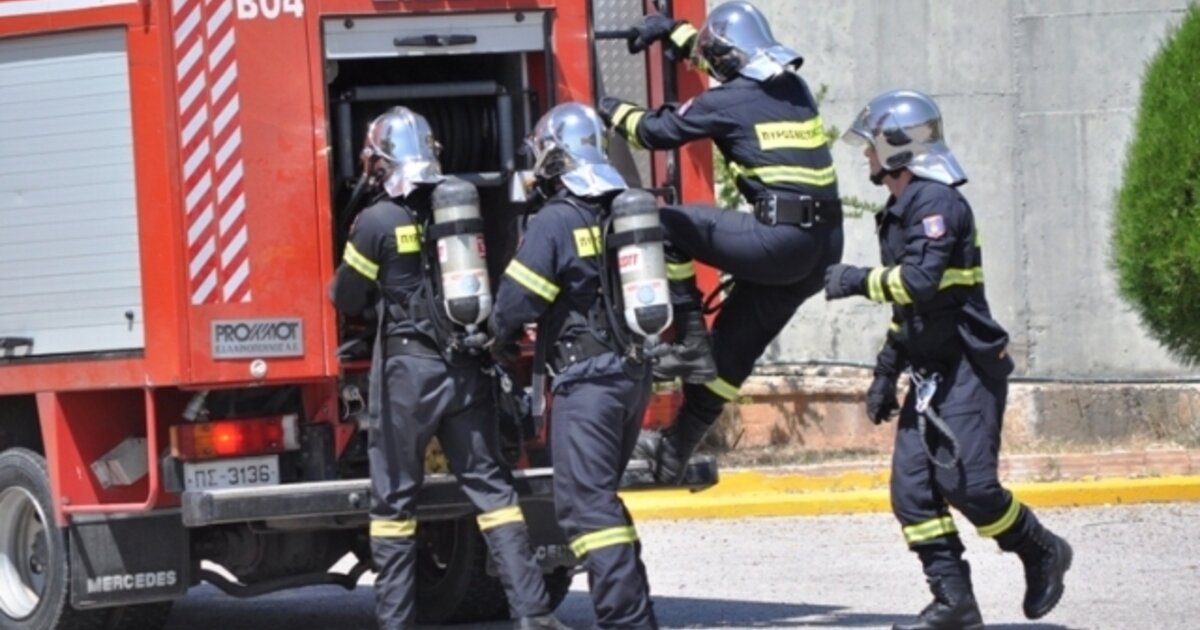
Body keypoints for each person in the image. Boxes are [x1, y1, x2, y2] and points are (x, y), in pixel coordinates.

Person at [824, 90, 1072, 630]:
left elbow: (918, 281)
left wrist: (854, 280)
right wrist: (885, 374)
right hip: (930, 373)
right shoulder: (899, 212)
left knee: (970, 486)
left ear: (898, 148)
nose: (865, 155)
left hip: (968, 368)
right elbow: (910, 310)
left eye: (871, 145)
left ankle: (1040, 548)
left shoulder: (937, 204)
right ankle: (955, 603)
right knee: (912, 494)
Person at [328, 106, 566, 630]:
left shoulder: (377, 221)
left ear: (381, 161)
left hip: (408, 376)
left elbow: (346, 296)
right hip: (466, 366)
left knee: (394, 503)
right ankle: (534, 613)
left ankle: (397, 622)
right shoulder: (461, 207)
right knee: (494, 493)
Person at [598, 0, 844, 484]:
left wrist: (605, 108)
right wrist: (673, 30)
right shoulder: (793, 88)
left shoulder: (725, 103)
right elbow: (727, 60)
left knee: (662, 226)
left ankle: (689, 342)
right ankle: (674, 453)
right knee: (731, 354)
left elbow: (651, 132)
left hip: (776, 241)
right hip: (822, 249)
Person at [489, 102, 661, 630]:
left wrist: (492, 337)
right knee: (601, 502)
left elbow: (518, 301)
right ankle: (637, 616)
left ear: (555, 157)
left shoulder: (557, 218)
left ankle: (627, 622)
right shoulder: (622, 208)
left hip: (586, 383)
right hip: (631, 376)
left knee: (587, 510)